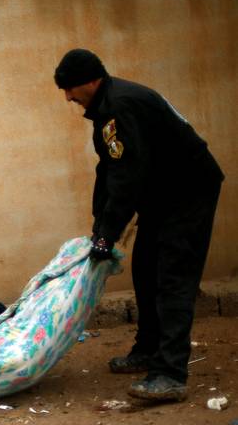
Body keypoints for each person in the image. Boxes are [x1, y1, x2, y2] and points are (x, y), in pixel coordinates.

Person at [54, 49, 224, 403]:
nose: (68, 97)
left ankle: (170, 374)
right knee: (146, 268)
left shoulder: (120, 107)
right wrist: (101, 228)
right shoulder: (108, 108)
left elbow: (126, 176)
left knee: (173, 279)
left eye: (70, 89)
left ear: (90, 80)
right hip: (163, 195)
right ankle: (148, 349)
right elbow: (109, 170)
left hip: (188, 192)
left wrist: (108, 233)